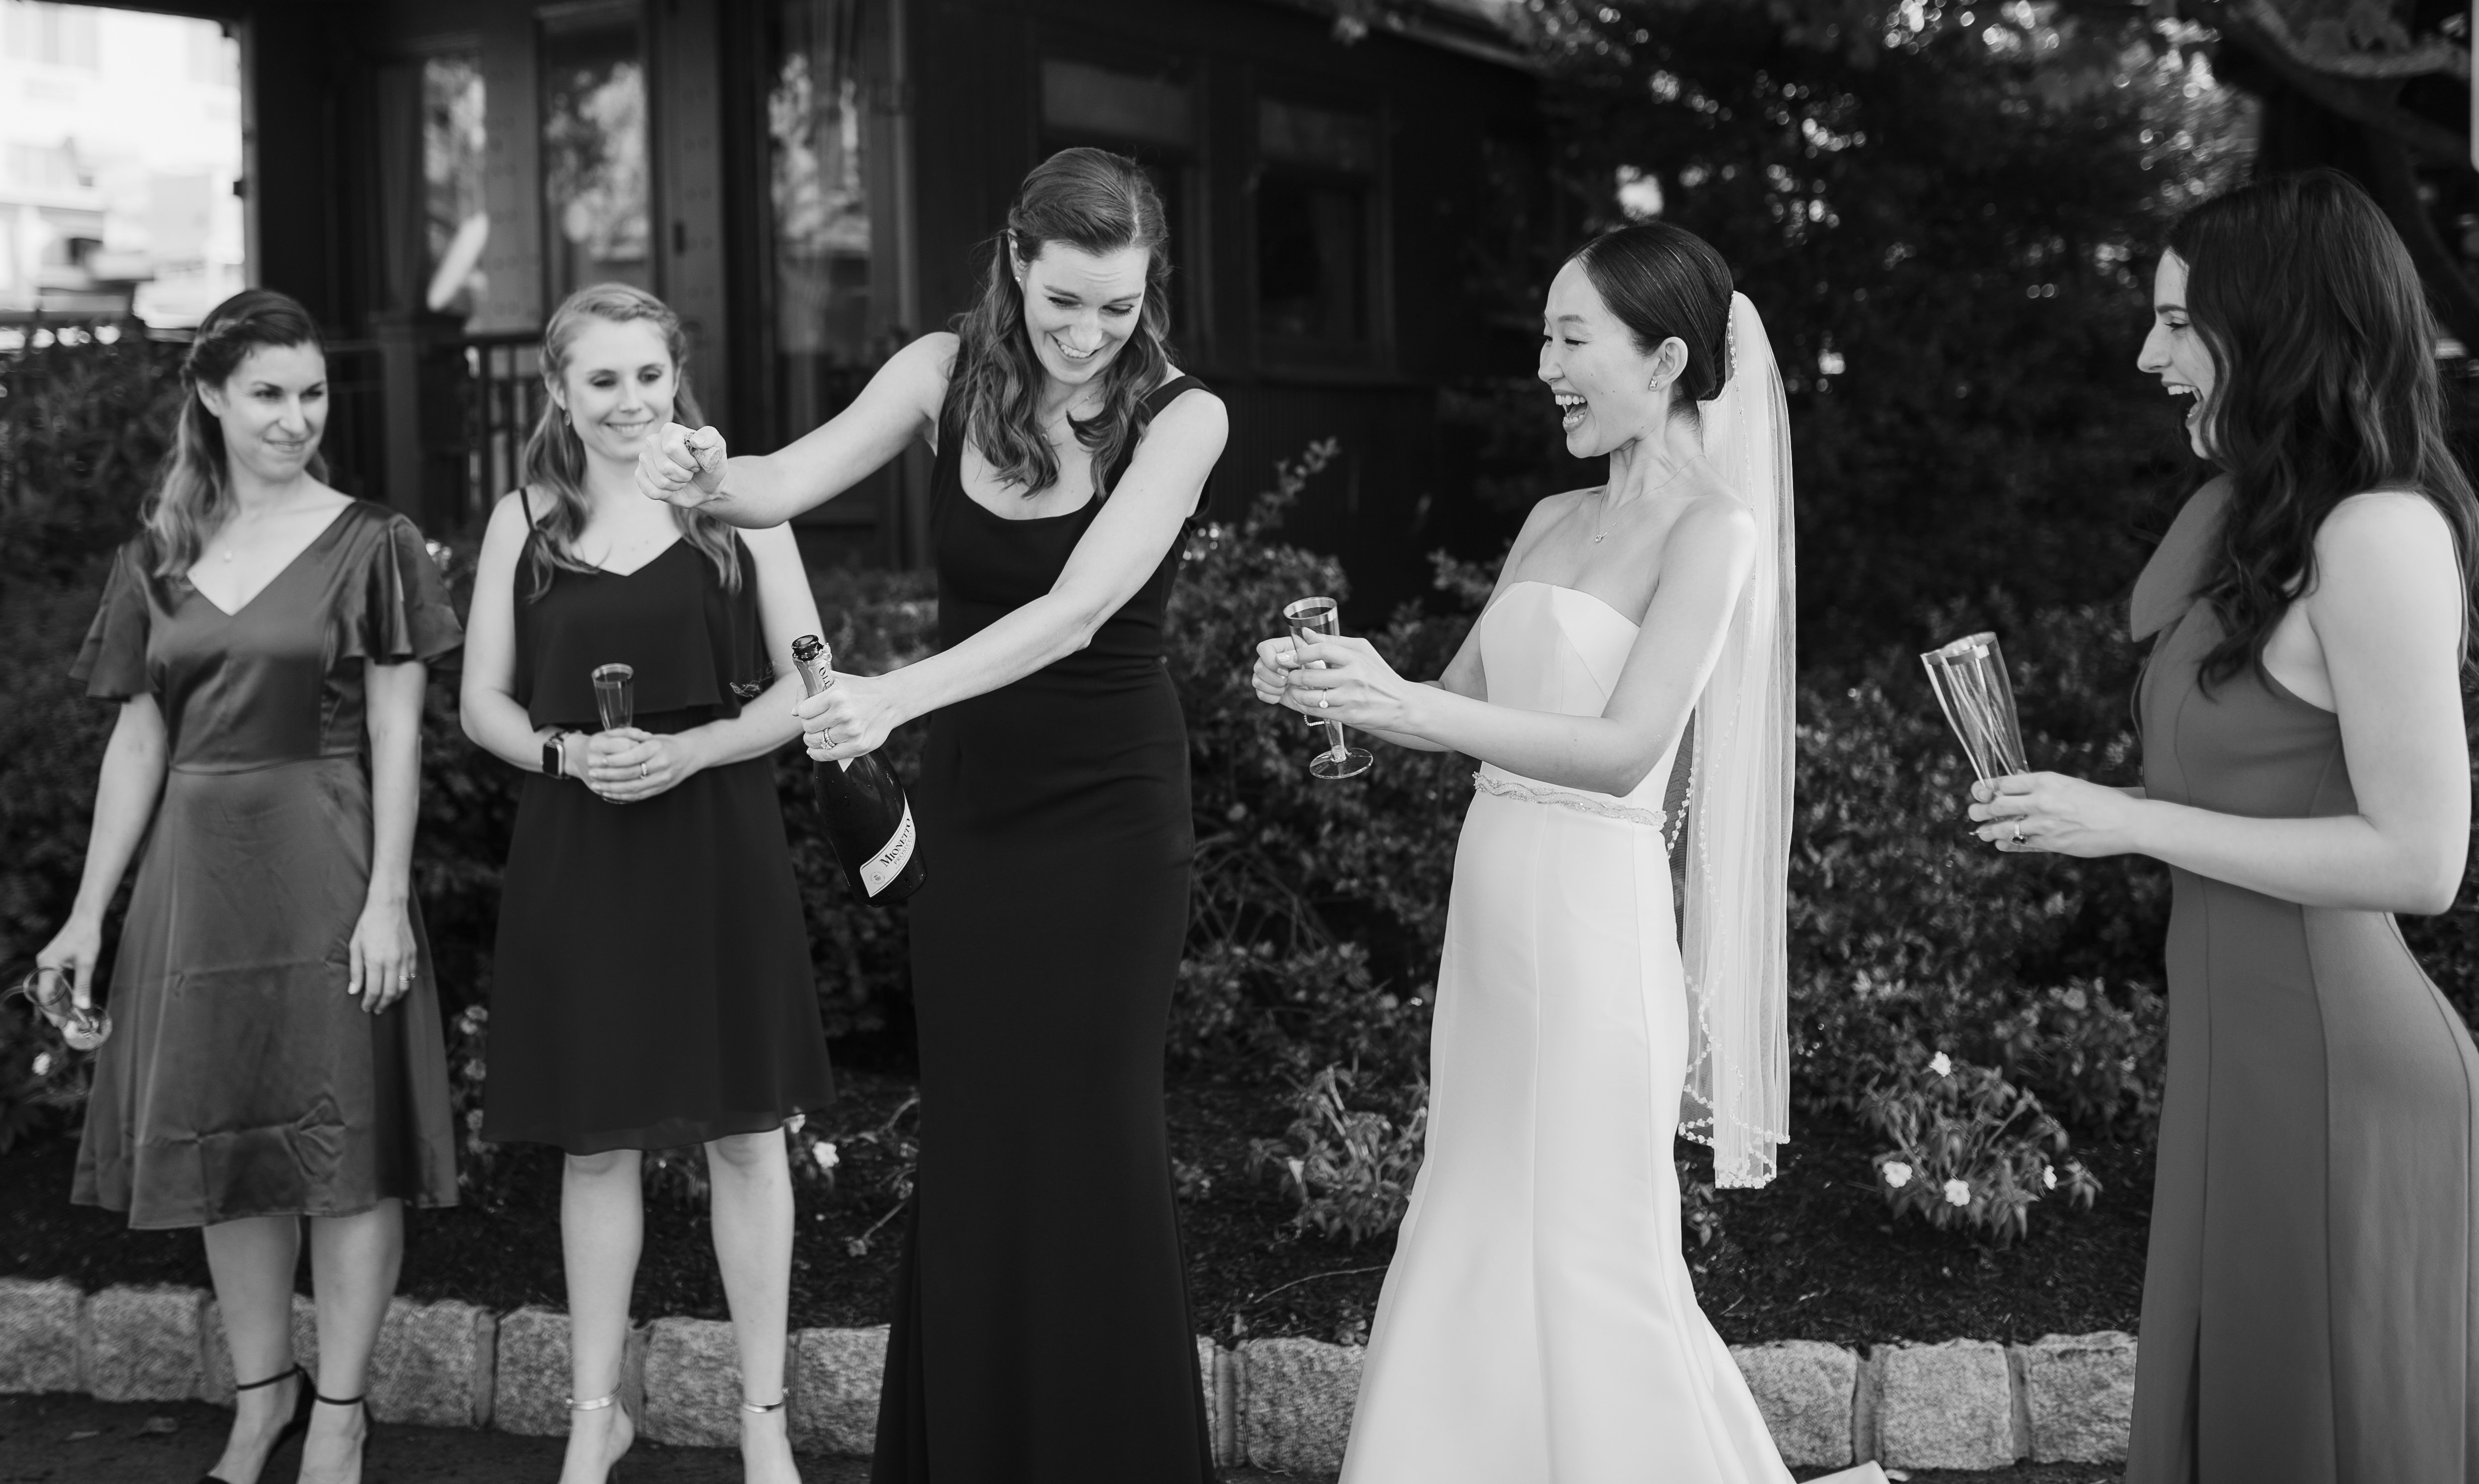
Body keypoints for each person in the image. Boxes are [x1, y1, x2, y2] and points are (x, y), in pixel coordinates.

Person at [636, 147, 1226, 1484]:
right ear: (1015, 261)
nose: (1087, 335)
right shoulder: (937, 371)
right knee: (975, 1130)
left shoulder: (1184, 418)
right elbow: (774, 485)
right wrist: (701, 466)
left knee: (1097, 1133)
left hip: (1112, 820)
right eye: (1063, 300)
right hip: (974, 812)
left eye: (1118, 307)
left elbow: (1077, 611)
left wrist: (892, 696)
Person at [1249, 222, 1807, 1482]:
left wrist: (1408, 702)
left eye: (1569, 339)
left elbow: (1622, 749)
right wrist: (1338, 687)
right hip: (1493, 912)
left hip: (1593, 920)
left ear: (1664, 358)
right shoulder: (1552, 515)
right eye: (1543, 339)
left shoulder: (1712, 530)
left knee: (1589, 1243)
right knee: (1475, 1205)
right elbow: (1454, 703)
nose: (1544, 367)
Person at [1967, 170, 2479, 1482]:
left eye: (2176, 323)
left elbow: (2419, 860)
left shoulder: (2379, 533)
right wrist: (2080, 813)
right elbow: (2244, 789)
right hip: (2232, 1057)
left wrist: (2132, 823)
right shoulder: (2247, 526)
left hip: (2333, 1073)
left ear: (2279, 324)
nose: (2148, 357)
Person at [34, 289, 460, 1484]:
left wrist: (387, 899)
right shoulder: (157, 553)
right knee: (226, 1144)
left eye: (311, 394)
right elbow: (138, 742)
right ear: (211, 396)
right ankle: (261, 1399)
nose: (294, 418)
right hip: (195, 878)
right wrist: (86, 914)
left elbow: (398, 733)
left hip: (329, 866)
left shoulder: (373, 541)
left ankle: (341, 1414)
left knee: (344, 1147)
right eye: (268, 394)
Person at [459, 283, 834, 1484]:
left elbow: (810, 683)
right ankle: (594, 1417)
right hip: (581, 849)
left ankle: (762, 1420)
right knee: (594, 1147)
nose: (630, 401)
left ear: (679, 376)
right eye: (603, 379)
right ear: (558, 389)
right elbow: (481, 704)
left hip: (718, 840)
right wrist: (565, 755)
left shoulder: (738, 505)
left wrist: (697, 748)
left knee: (746, 1137)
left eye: (650, 375)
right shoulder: (523, 519)